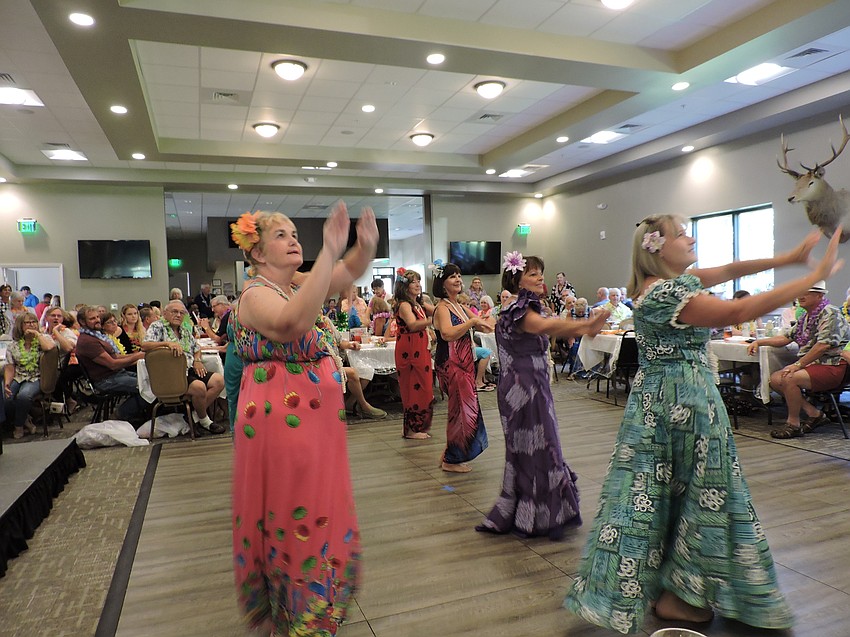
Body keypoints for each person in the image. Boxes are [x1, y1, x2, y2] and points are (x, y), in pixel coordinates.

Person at [564, 218, 841, 634]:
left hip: (667, 401)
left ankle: (673, 587)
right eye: (681, 233)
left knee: (666, 492)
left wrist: (790, 258)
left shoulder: (667, 286)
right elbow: (738, 310)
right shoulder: (666, 293)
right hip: (682, 402)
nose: (691, 238)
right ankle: (678, 595)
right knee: (699, 491)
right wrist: (815, 275)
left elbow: (732, 269)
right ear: (656, 248)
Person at [229, 201, 377, 635]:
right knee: (296, 516)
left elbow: (344, 275)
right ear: (256, 253)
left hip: (311, 426)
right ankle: (301, 613)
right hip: (282, 426)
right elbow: (292, 326)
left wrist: (362, 248)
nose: (294, 240)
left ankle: (312, 606)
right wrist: (329, 250)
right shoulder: (255, 294)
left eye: (296, 234)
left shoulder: (292, 284)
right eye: (281, 235)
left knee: (313, 512)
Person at [477, 251, 609, 539]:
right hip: (521, 390)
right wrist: (586, 326)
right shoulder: (518, 310)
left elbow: (548, 326)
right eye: (533, 273)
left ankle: (537, 512)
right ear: (517, 278)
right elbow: (546, 327)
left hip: (535, 384)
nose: (540, 278)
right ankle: (536, 515)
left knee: (541, 446)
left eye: (541, 273)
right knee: (535, 448)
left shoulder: (532, 307)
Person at [747, 281, 850, 438]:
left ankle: (793, 423)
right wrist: (759, 341)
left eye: (806, 292)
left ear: (820, 295)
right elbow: (785, 338)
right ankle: (814, 413)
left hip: (832, 365)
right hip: (814, 365)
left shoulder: (830, 313)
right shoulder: (806, 316)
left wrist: (798, 364)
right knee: (775, 379)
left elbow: (823, 346)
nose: (800, 296)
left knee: (789, 377)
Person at [432, 262, 492, 473]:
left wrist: (481, 321)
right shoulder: (442, 307)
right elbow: (447, 333)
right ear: (442, 283)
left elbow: (482, 322)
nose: (458, 279)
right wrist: (471, 322)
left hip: (464, 362)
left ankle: (451, 452)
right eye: (452, 277)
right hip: (451, 364)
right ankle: (452, 460)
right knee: (461, 411)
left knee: (464, 409)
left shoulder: (457, 305)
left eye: (458, 276)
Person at [142, 301, 227, 435]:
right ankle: (205, 421)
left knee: (219, 381)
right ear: (165, 313)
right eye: (174, 312)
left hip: (188, 368)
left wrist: (198, 360)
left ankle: (192, 417)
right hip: (169, 373)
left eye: (182, 313)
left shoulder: (184, 329)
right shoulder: (157, 326)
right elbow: (145, 345)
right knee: (199, 388)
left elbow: (196, 348)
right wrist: (167, 343)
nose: (178, 315)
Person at [75, 305, 148, 423]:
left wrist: (140, 355)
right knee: (148, 387)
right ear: (82, 322)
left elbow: (116, 356)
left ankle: (140, 416)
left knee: (151, 380)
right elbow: (113, 364)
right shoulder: (87, 341)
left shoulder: (96, 335)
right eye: (92, 318)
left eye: (97, 317)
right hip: (105, 380)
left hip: (117, 374)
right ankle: (119, 416)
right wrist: (138, 356)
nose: (97, 320)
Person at [392, 268, 435, 440]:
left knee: (425, 386)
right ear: (405, 286)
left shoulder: (418, 303)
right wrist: (434, 321)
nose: (418, 284)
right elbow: (412, 325)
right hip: (409, 349)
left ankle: (418, 427)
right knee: (413, 386)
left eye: (418, 281)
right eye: (413, 282)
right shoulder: (404, 305)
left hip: (419, 347)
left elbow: (437, 310)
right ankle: (411, 430)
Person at [3, 312, 56, 439]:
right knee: (6, 398)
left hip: (37, 377)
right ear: (21, 326)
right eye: (27, 322)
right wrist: (7, 383)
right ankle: (25, 418)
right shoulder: (13, 346)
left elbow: (49, 347)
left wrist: (37, 334)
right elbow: (10, 367)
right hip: (18, 376)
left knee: (23, 396)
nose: (31, 325)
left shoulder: (44, 339)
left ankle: (19, 425)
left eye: (34, 322)